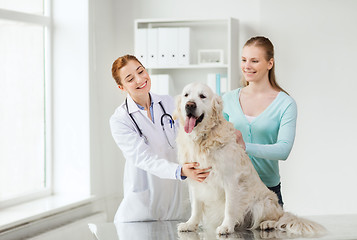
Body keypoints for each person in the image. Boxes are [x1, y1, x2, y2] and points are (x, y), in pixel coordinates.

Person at [110, 54, 210, 223]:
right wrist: (180, 171)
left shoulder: (168, 102)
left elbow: (190, 135)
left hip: (177, 204)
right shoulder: (120, 120)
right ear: (122, 87)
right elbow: (144, 158)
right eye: (130, 78)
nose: (140, 79)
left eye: (140, 71)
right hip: (142, 210)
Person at [222, 36, 297, 207]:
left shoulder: (285, 103)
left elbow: (283, 149)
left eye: (254, 61)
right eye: (244, 60)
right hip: (233, 189)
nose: (247, 66)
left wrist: (245, 146)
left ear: (270, 63)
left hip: (268, 190)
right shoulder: (228, 99)